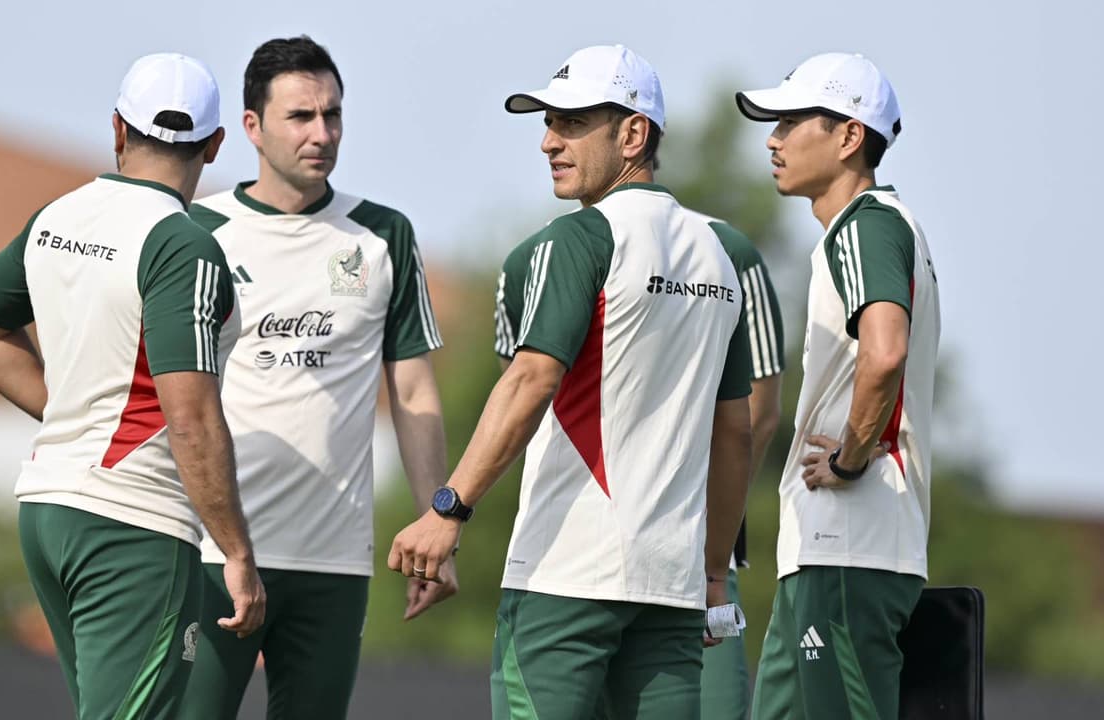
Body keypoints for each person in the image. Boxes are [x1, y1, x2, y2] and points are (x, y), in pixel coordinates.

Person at [388, 44, 753, 720]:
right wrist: (709, 573)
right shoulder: (723, 256)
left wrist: (448, 509)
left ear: (634, 133)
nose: (548, 142)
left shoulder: (578, 239)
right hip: (672, 591)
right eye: (548, 122)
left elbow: (529, 379)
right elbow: (737, 432)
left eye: (573, 122)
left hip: (565, 579)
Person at [0, 52, 265, 719]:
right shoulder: (183, 244)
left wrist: (67, 413)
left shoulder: (56, 217)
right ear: (214, 145)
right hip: (132, 521)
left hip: (47, 508)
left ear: (119, 130)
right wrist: (235, 551)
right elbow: (191, 418)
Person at [180, 36, 452, 720]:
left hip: (335, 561)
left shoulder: (383, 235)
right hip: (216, 554)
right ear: (252, 127)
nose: (322, 133)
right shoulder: (195, 229)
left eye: (333, 115)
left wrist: (436, 526)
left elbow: (414, 392)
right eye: (301, 117)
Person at [735, 52, 941, 720]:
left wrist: (850, 457)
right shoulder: (863, 230)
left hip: (850, 545)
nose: (773, 139)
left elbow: (885, 354)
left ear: (850, 136)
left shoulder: (866, 224)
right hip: (831, 551)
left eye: (791, 122)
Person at [700, 228, 785, 719]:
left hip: (711, 563)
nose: (775, 143)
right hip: (588, 563)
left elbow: (762, 412)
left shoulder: (730, 248)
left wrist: (715, 543)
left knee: (724, 705)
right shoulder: (541, 252)